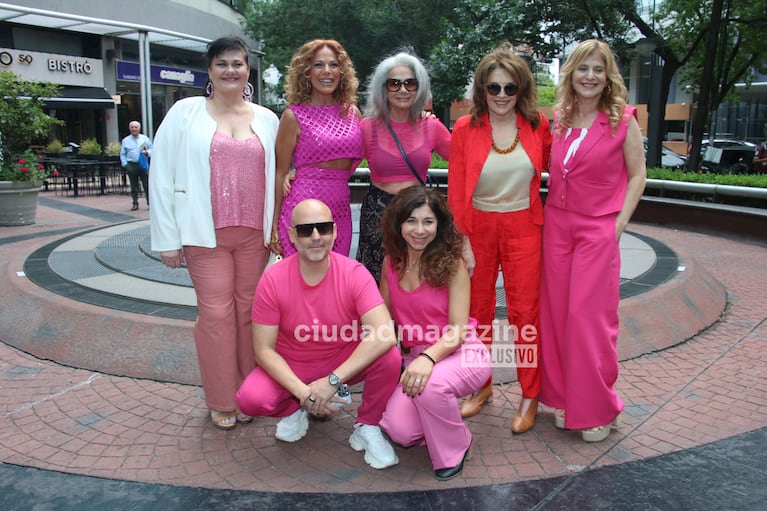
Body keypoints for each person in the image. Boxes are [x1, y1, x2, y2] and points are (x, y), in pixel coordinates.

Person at [149, 36, 279, 431]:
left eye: (237, 63)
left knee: (248, 315)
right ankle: (221, 398)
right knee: (216, 314)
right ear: (209, 70)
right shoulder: (185, 113)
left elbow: (279, 176)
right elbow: (161, 174)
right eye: (222, 63)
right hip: (204, 235)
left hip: (254, 236)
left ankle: (247, 394)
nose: (230, 71)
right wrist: (167, 239)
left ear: (247, 70)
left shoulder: (267, 118)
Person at [236, 199, 402, 470]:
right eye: (305, 230)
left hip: (341, 362)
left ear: (334, 232)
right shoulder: (273, 279)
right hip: (295, 364)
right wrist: (305, 393)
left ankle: (367, 424)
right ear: (291, 235)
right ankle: (297, 408)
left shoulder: (354, 273)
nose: (316, 237)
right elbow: (263, 350)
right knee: (251, 399)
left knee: (390, 357)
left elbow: (385, 333)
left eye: (323, 228)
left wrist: (333, 381)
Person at [539, 39, 646, 442]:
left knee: (589, 321)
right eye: (583, 68)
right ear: (572, 73)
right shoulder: (561, 118)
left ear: (608, 77)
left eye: (598, 70)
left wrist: (617, 226)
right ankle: (567, 400)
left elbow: (638, 175)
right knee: (557, 318)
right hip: (557, 227)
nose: (590, 76)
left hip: (597, 227)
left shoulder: (622, 119)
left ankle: (600, 407)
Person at [448, 43, 552, 433]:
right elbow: (457, 190)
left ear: (522, 90)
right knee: (477, 314)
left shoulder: (539, 126)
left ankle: (530, 394)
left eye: (511, 88)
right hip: (478, 226)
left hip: (524, 226)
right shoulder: (465, 128)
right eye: (495, 88)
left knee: (526, 313)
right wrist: (463, 241)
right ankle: (481, 386)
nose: (503, 96)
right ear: (483, 90)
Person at [378, 186, 491, 481]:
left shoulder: (454, 265)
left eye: (428, 222)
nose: (419, 230)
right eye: (411, 221)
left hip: (462, 353)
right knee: (399, 431)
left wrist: (427, 358)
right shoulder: (391, 263)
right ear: (399, 223)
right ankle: (438, 410)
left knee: (430, 387)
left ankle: (456, 447)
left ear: (439, 225)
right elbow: (384, 320)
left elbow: (458, 331)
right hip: (417, 359)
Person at [356, 52, 451, 283]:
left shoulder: (431, 125)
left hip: (417, 213)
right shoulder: (367, 128)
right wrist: (297, 172)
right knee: (375, 281)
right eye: (394, 83)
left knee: (416, 279)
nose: (402, 89)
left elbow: (466, 161)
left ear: (419, 87)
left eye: (410, 83)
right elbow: (341, 169)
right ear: (383, 88)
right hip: (377, 214)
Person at [271, 39, 363, 258]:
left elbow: (364, 154)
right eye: (318, 65)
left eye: (333, 65)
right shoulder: (293, 116)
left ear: (342, 72)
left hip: (340, 210)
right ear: (306, 72)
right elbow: (280, 173)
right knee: (302, 282)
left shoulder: (353, 113)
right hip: (302, 208)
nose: (327, 71)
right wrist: (273, 225)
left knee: (335, 280)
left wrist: (423, 116)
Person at [120, 120, 152, 211]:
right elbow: (122, 154)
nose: (134, 129)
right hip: (131, 165)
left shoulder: (145, 139)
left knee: (146, 185)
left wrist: (147, 152)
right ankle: (135, 203)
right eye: (132, 127)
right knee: (134, 186)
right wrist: (125, 165)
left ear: (139, 128)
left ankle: (149, 203)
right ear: (129, 128)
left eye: (136, 127)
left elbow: (152, 149)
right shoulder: (125, 140)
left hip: (143, 164)